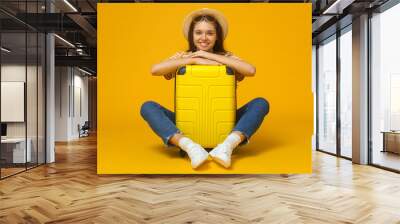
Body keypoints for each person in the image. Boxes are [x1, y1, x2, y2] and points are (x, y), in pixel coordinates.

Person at [141, 8, 269, 169]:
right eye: (198, 32)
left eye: (210, 33)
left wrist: (207, 55)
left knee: (261, 103)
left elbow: (250, 70)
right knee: (148, 107)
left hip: (226, 123)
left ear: (217, 37)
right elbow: (155, 70)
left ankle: (227, 146)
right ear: (191, 35)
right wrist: (192, 60)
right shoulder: (183, 57)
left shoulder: (227, 57)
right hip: (185, 124)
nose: (203, 37)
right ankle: (190, 147)